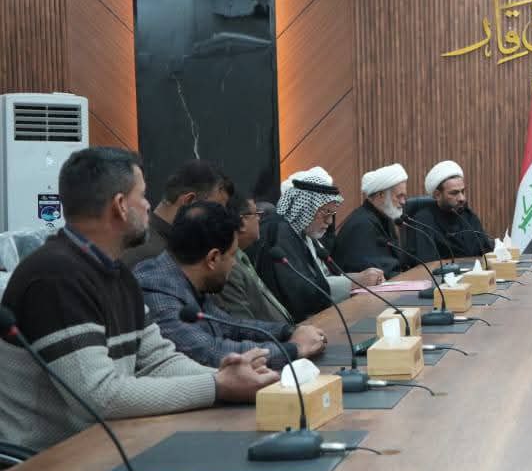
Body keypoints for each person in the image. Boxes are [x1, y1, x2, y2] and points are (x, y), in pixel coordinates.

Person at [0, 148, 277, 452]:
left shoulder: (116, 273)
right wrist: (218, 385)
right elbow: (101, 396)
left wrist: (232, 378)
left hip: (107, 446)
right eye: (142, 196)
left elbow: (159, 360)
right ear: (120, 206)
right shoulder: (54, 277)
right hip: (46, 464)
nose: (148, 206)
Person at [136, 202, 327, 371]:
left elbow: (230, 326)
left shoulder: (187, 278)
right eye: (232, 255)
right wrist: (294, 348)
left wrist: (288, 332)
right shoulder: (156, 289)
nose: (234, 263)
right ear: (213, 258)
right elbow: (208, 353)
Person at [254, 167, 384, 322]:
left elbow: (323, 278)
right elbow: (302, 291)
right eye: (325, 213)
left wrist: (360, 277)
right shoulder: (280, 232)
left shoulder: (303, 231)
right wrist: (355, 282)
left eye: (332, 214)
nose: (329, 222)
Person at [121, 159, 232, 268]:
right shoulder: (157, 257)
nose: (219, 219)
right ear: (189, 201)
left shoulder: (134, 236)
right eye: (214, 209)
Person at [219, 193, 293, 323]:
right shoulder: (230, 267)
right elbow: (244, 322)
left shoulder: (242, 255)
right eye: (256, 214)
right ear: (242, 222)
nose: (259, 219)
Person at [406, 160, 493, 261]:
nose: (462, 198)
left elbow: (486, 250)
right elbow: (427, 262)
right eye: (454, 193)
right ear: (437, 195)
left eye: (463, 191)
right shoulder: (424, 220)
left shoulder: (468, 216)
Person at [333, 162, 410, 276]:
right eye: (399, 196)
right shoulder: (362, 225)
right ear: (381, 195)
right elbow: (380, 272)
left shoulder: (384, 217)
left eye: (404, 196)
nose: (403, 202)